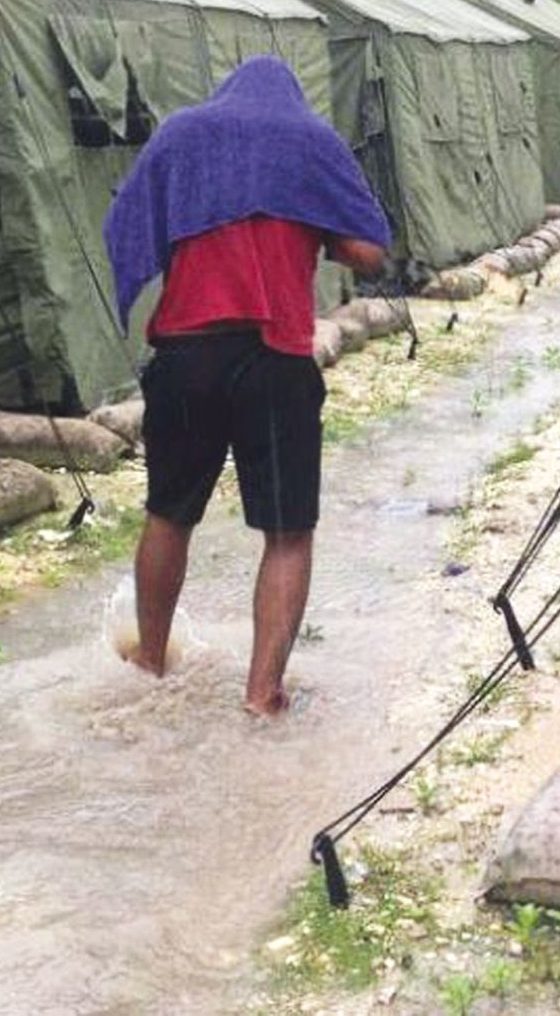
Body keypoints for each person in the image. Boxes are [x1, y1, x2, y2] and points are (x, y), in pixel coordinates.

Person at [103, 57, 391, 715]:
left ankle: (149, 660)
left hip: (185, 355)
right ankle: (262, 692)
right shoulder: (311, 141)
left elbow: (127, 224)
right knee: (287, 532)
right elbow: (370, 251)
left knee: (168, 515)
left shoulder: (181, 135)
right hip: (273, 360)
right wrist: (311, 225)